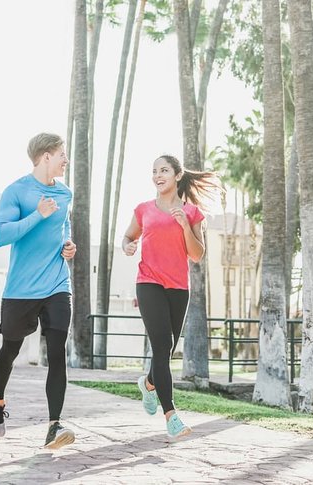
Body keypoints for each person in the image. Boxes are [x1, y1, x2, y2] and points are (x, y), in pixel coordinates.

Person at [0, 133, 77, 450]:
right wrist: (37, 214)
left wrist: (69, 246)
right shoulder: (17, 191)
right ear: (44, 157)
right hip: (22, 289)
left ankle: (54, 426)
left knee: (57, 354)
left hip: (56, 284)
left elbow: (63, 229)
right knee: (9, 351)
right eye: (61, 154)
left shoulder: (65, 193)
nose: (66, 159)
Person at [122, 154, 220, 438]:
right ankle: (171, 415)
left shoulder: (192, 213)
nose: (157, 175)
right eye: (154, 171)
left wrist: (184, 226)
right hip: (149, 282)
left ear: (177, 175)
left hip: (178, 287)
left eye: (164, 170)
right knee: (162, 344)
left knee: (167, 349)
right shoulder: (143, 210)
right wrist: (127, 246)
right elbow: (128, 237)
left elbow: (197, 254)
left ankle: (150, 384)